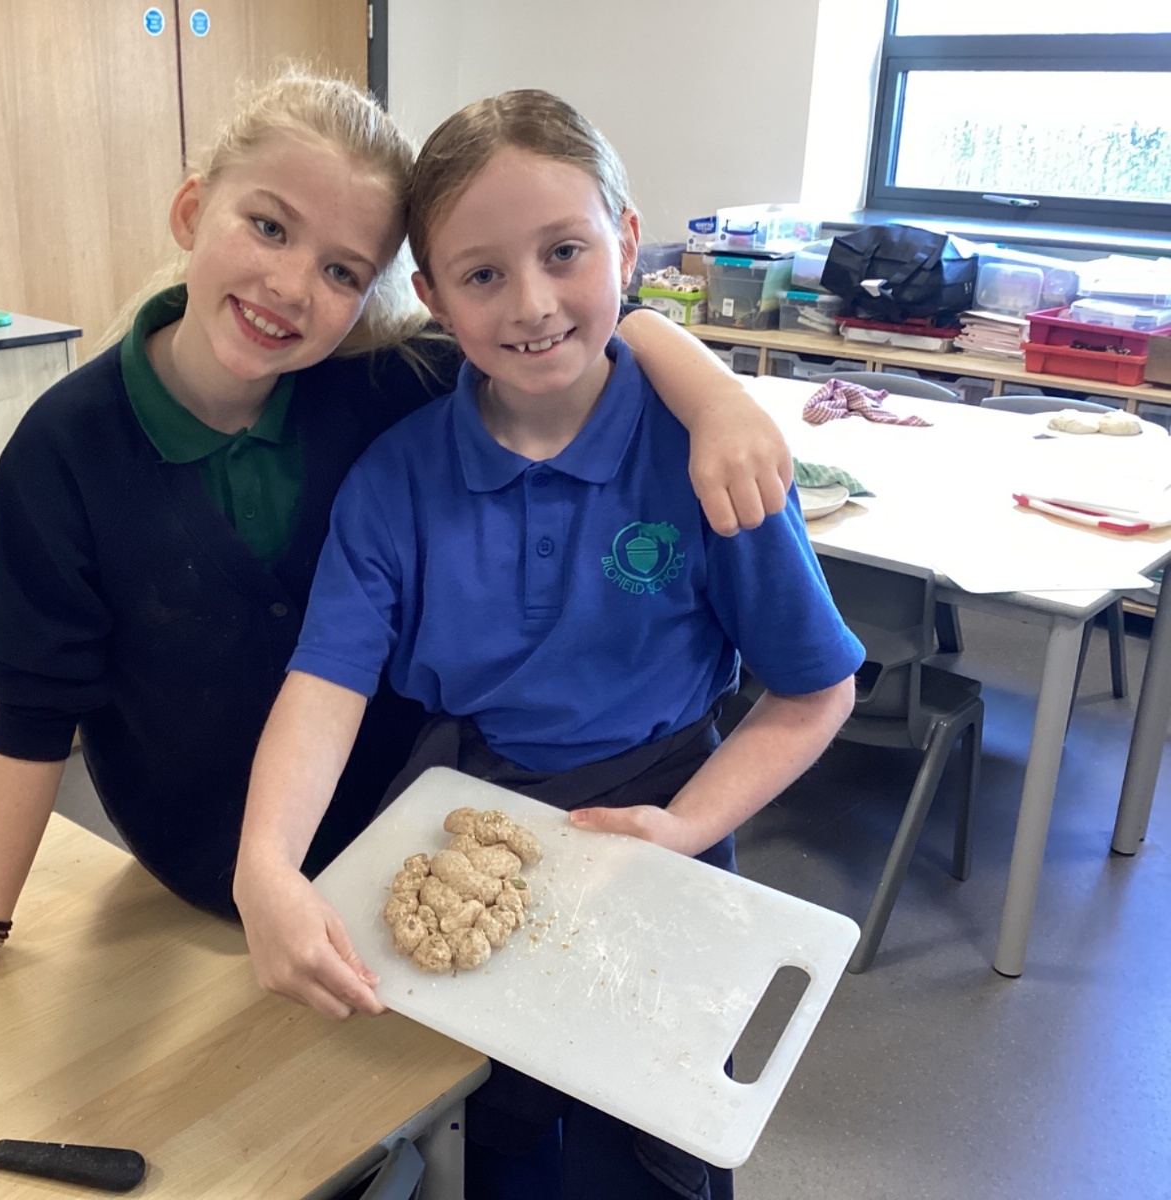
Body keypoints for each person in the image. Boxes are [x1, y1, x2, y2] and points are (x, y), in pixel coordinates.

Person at [0, 73, 793, 1013]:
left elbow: (557, 331)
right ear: (192, 210)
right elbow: (33, 703)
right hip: (204, 858)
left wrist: (716, 394)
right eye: (269, 227)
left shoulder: (384, 385)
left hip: (407, 841)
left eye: (344, 271)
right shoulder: (68, 448)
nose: (290, 286)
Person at [231, 90, 863, 1199]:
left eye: (564, 252)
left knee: (651, 1140)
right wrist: (265, 868)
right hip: (469, 829)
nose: (530, 304)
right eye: (481, 275)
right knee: (495, 1133)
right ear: (432, 296)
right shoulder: (396, 477)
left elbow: (814, 693)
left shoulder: (706, 458)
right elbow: (325, 685)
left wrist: (685, 826)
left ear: (625, 240)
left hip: (661, 832)